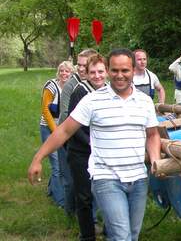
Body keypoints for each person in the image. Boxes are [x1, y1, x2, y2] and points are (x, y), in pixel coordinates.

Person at [29, 49, 162, 241]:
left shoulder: (145, 101)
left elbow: (152, 134)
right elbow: (65, 130)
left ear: (133, 70)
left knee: (132, 235)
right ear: (108, 70)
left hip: (139, 179)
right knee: (122, 236)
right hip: (106, 178)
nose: (119, 75)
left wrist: (156, 159)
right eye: (114, 70)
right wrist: (38, 158)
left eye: (125, 70)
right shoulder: (92, 100)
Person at [67, 54, 108, 241]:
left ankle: (110, 230)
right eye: (93, 72)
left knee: (108, 193)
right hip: (81, 152)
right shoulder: (80, 91)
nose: (97, 76)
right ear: (86, 72)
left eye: (101, 71)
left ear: (106, 71)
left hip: (104, 152)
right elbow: (73, 126)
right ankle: (87, 235)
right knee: (84, 197)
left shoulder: (110, 90)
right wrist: (91, 143)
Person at [58, 49, 97, 216]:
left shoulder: (100, 85)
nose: (80, 69)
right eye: (78, 65)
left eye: (84, 65)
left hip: (91, 142)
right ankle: (69, 212)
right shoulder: (73, 86)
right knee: (72, 180)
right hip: (69, 137)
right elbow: (67, 116)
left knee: (89, 184)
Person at [40, 60, 74, 208]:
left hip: (64, 130)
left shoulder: (72, 87)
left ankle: (51, 188)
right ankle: (60, 201)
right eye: (62, 71)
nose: (64, 74)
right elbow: (46, 110)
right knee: (57, 166)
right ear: (58, 72)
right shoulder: (51, 87)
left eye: (67, 71)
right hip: (49, 129)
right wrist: (56, 131)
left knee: (62, 163)